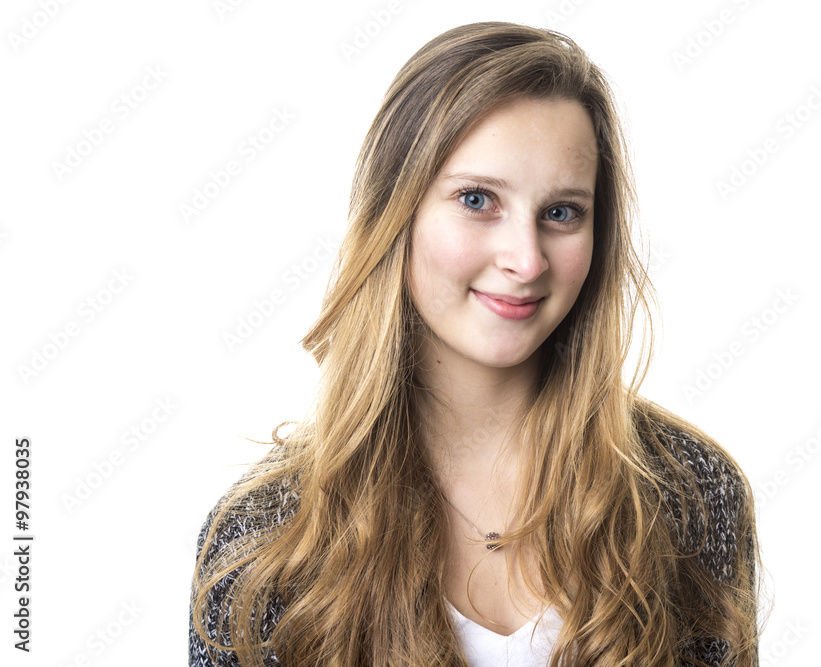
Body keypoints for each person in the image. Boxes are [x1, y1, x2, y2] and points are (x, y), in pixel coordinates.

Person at [189, 20, 762, 667]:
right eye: (477, 199)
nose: (525, 257)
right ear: (396, 213)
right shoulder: (265, 534)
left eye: (562, 211)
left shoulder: (687, 491)